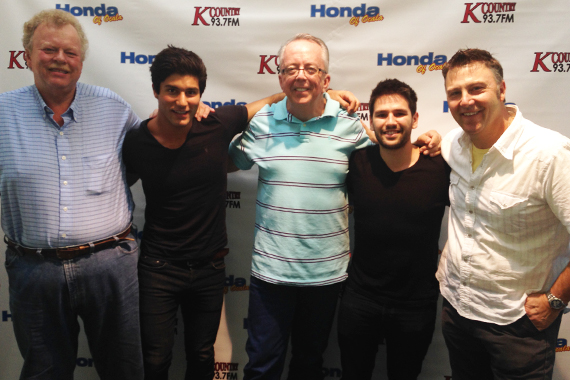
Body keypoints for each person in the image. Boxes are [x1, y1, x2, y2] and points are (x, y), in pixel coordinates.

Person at [122, 45, 361, 380]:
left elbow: (385, 157)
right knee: (159, 358)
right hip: (175, 267)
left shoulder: (219, 125)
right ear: (156, 92)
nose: (182, 100)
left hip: (287, 270)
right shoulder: (139, 141)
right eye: (172, 91)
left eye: (191, 93)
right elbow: (116, 185)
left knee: (221, 356)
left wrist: (328, 92)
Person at [229, 34, 441, 380]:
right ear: (280, 77)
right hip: (271, 275)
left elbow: (392, 145)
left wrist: (428, 139)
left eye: (311, 68)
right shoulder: (262, 124)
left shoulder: (350, 127)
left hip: (326, 278)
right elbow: (217, 162)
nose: (301, 76)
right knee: (262, 365)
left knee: (309, 363)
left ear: (326, 79)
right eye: (291, 69)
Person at [0, 9, 143, 379]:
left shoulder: (114, 110)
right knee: (44, 372)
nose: (60, 59)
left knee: (124, 371)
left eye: (70, 52)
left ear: (81, 60)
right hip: (34, 270)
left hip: (111, 264)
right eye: (49, 50)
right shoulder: (2, 114)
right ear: (27, 56)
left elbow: (156, 153)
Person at [437, 48, 570, 380]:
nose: (465, 100)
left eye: (476, 88)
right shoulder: (453, 143)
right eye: (455, 93)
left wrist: (557, 298)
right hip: (458, 309)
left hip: (518, 326)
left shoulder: (549, 155)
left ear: (502, 90)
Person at [337, 79, 450, 380]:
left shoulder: (441, 168)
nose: (390, 122)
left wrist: (439, 139)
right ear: (370, 120)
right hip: (359, 298)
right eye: (381, 114)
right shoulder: (356, 163)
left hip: (416, 303)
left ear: (414, 119)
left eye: (399, 114)